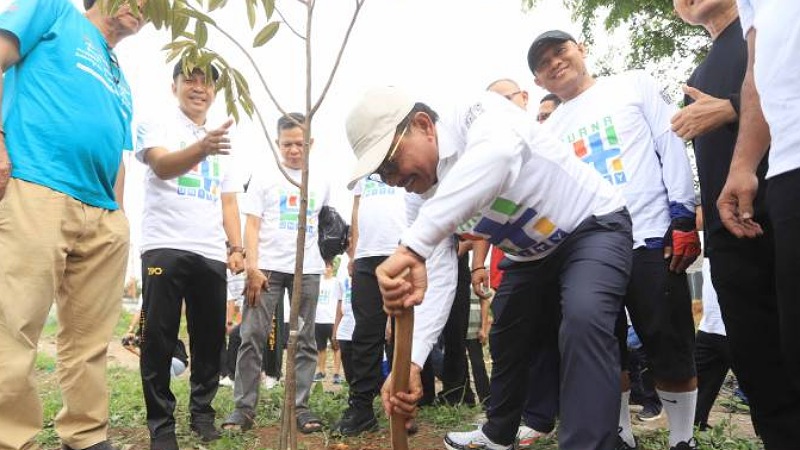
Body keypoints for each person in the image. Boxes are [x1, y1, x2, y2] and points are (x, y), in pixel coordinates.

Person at [345, 85, 632, 450]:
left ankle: (588, 443)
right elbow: (441, 277)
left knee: (583, 317)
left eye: (389, 164)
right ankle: (498, 434)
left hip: (591, 226)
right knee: (507, 333)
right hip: (529, 256)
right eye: (379, 174)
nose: (391, 180)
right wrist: (413, 363)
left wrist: (415, 243)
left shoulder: (472, 111)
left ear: (422, 125)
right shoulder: (419, 202)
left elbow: (498, 155)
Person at [529, 30, 700, 450]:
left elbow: (668, 141)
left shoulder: (632, 84)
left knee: (667, 338)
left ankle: (682, 438)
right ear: (538, 81)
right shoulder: (549, 129)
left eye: (560, 51)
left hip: (648, 236)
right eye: (543, 62)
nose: (555, 62)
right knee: (605, 347)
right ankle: (621, 435)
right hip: (588, 252)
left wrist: (681, 215)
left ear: (581, 50)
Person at [0, 1, 145, 449]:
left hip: (101, 213)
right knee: (13, 322)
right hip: (37, 184)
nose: (142, 6)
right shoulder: (55, 11)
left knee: (90, 340)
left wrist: (118, 217)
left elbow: (118, 155)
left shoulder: (120, 75)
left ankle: (85, 435)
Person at [673, 1, 800, 447]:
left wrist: (729, 108)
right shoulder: (702, 67)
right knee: (754, 355)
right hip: (728, 229)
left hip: (781, 202)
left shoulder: (774, 23)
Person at [135, 60, 244, 449]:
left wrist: (236, 247)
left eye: (206, 82)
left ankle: (202, 413)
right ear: (174, 86)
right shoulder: (156, 122)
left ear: (214, 91)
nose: (198, 87)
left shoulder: (223, 140)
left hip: (210, 250)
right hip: (165, 243)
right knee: (160, 338)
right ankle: (161, 427)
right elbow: (162, 166)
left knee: (210, 338)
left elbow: (228, 201)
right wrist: (202, 147)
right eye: (189, 79)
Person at [222, 113, 330, 434]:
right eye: (287, 144)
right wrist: (252, 267)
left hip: (306, 269)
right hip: (266, 270)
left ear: (310, 143)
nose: (293, 150)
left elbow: (324, 222)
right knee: (251, 336)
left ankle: (300, 407)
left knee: (306, 340)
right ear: (277, 143)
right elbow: (251, 225)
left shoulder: (320, 179)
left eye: (299, 144)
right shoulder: (266, 175)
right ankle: (243, 409)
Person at [332, 174, 408, 436]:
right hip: (366, 256)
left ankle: (402, 408)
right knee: (365, 332)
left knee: (402, 333)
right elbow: (356, 207)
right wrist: (354, 249)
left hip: (402, 250)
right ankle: (362, 408)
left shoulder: (403, 151)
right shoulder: (364, 165)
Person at [314, 262, 343, 384]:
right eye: (324, 266)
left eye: (328, 266)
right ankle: (321, 371)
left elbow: (340, 299)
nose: (326, 269)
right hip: (318, 319)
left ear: (332, 268)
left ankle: (336, 373)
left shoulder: (336, 282)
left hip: (331, 319)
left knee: (336, 347)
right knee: (321, 347)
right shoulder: (318, 280)